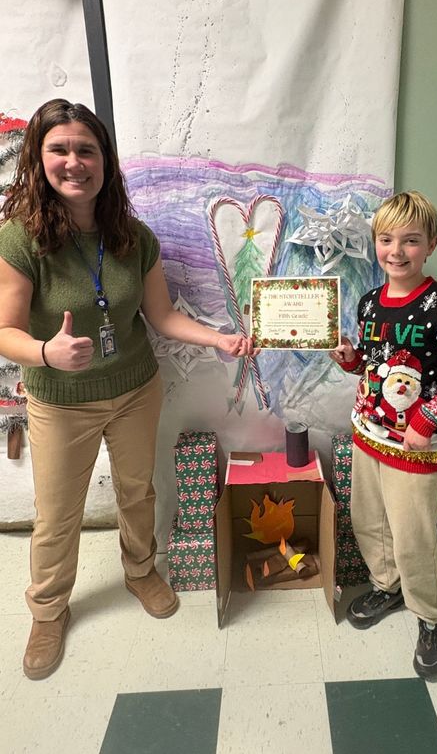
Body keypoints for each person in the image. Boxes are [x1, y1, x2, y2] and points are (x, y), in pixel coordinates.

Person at [0, 99, 257, 680]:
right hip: (61, 400)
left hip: (136, 388)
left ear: (105, 160)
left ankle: (141, 571)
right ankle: (48, 611)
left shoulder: (131, 236)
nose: (73, 162)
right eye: (59, 150)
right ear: (39, 161)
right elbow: (4, 332)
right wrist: (47, 352)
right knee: (57, 513)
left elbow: (162, 318)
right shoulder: (19, 239)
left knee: (137, 489)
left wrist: (217, 339)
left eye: (86, 150)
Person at [330, 190, 437, 681]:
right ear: (375, 244)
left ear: (431, 245)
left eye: (410, 240)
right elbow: (374, 366)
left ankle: (430, 615)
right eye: (386, 239)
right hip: (368, 436)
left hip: (417, 448)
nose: (396, 251)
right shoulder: (368, 303)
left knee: (413, 536)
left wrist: (428, 419)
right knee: (370, 524)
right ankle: (388, 585)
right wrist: (351, 361)